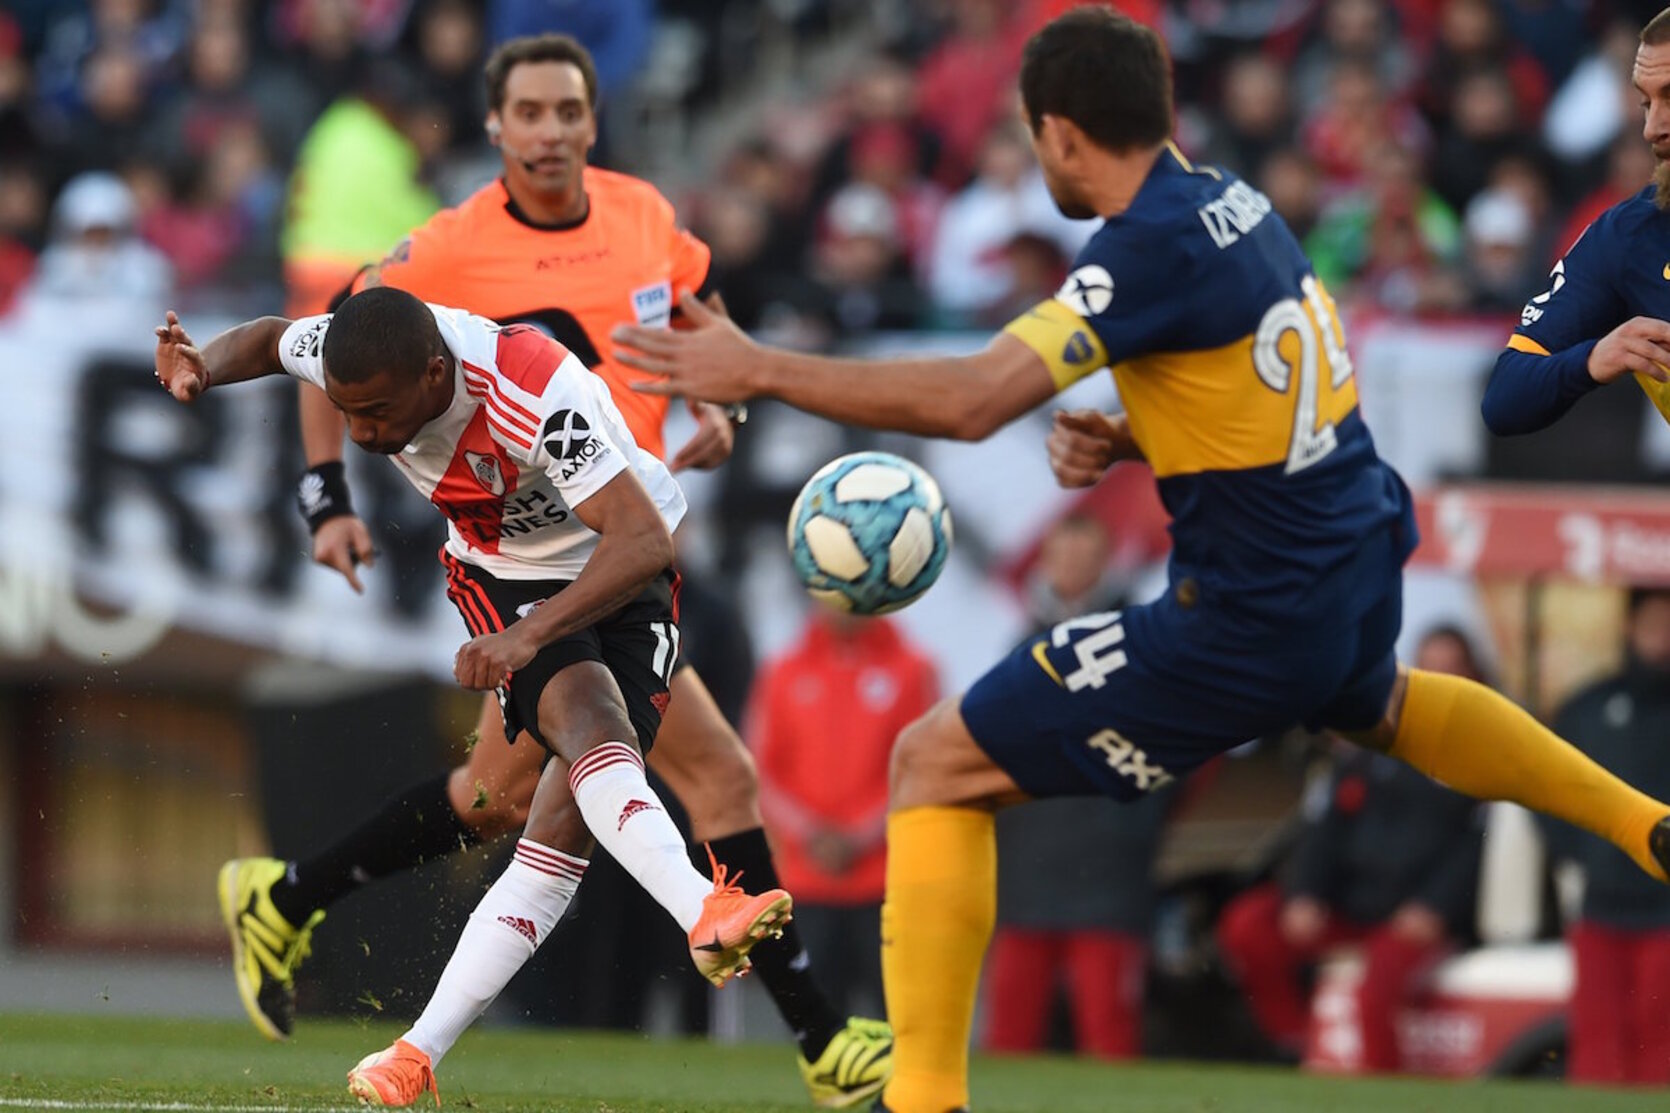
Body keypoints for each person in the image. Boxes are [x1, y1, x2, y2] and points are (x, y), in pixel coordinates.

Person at [613, 10, 1670, 1111]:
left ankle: (919, 1099)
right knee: (1381, 705)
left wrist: (757, 366)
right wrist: (1129, 432)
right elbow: (1265, 400)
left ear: (1059, 135)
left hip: (1247, 615)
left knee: (934, 766)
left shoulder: (1145, 244)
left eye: (1035, 141)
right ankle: (1638, 821)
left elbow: (975, 400)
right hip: (1351, 554)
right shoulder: (1235, 203)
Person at [216, 32, 893, 1110]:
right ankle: (819, 1039)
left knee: (510, 797)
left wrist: (722, 399)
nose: (548, 132)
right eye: (527, 112)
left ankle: (295, 903)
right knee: (658, 776)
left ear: (590, 121)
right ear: (495, 127)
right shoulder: (443, 250)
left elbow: (698, 321)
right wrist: (325, 495)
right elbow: (328, 345)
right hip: (532, 561)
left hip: (616, 539)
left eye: (566, 112)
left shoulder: (639, 215)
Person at [154, 288, 791, 1108]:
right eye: (348, 414)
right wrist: (205, 364)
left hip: (623, 568)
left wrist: (527, 639)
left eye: (379, 412)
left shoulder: (531, 387)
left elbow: (641, 540)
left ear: (433, 372)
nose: (365, 435)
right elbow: (275, 338)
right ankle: (705, 909)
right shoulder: (361, 352)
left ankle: (414, 1052)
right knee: (590, 729)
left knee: (558, 825)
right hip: (503, 574)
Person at [1217, 625, 1488, 1072]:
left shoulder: (1482, 750)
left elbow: (1479, 844)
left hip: (1420, 917)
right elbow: (1325, 829)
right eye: (1429, 665)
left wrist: (1434, 908)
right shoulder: (1374, 741)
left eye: (1449, 666)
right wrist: (1306, 894)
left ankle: (1382, 1087)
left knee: (1378, 986)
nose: (1437, 675)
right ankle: (1296, 1043)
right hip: (1352, 906)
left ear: (1471, 675)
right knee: (1248, 925)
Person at [983, 513, 1171, 1062]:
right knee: (1008, 1040)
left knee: (1108, 1039)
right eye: (1061, 555)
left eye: (1083, 556)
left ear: (1104, 564)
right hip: (1025, 864)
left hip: (1108, 874)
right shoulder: (1020, 644)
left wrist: (1131, 822)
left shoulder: (1139, 644)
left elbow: (1176, 755)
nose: (1071, 568)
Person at [1480, 7, 1670, 438]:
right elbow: (1505, 397)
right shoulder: (1627, 238)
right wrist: (1591, 360)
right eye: (1646, 102)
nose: (1652, 127)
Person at [748, 608, 940, 1019]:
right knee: (818, 1023)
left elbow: (921, 767)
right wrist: (810, 834)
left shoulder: (913, 668)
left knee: (901, 1019)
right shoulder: (783, 669)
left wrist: (860, 836)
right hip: (806, 880)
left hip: (886, 881)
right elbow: (762, 771)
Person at [1539, 587, 1670, 1086]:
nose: (1663, 639)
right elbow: (1546, 791)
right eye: (1655, 625)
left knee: (1660, 1045)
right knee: (1597, 1043)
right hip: (1601, 903)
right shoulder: (1588, 708)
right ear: (1629, 628)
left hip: (1666, 910)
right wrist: (1587, 854)